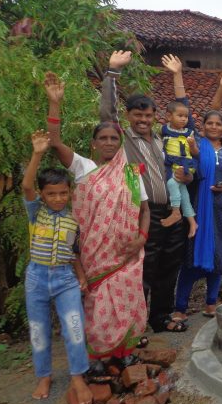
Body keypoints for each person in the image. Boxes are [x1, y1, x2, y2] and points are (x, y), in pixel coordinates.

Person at [46, 69, 150, 367]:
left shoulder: (131, 174)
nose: (108, 142)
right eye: (102, 138)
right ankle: (99, 356)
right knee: (98, 304)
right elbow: (55, 142)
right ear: (93, 143)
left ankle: (124, 352)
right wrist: (54, 103)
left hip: (127, 254)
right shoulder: (84, 168)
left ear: (120, 143)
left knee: (128, 300)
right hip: (94, 256)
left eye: (114, 138)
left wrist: (141, 238)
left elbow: (145, 210)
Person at [100, 51, 189, 334]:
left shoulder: (163, 140)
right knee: (144, 269)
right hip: (142, 214)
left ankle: (160, 318)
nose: (143, 120)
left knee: (169, 266)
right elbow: (107, 114)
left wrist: (185, 176)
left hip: (171, 213)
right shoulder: (123, 140)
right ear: (128, 116)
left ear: (154, 117)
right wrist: (113, 72)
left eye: (148, 115)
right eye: (138, 115)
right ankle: (135, 325)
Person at [22, 129, 92, 404]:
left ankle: (78, 376)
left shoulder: (73, 218)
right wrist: (37, 154)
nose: (58, 198)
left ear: (70, 193)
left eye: (63, 193)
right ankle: (44, 375)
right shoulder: (35, 211)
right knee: (38, 329)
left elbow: (73, 253)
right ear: (42, 194)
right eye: (51, 194)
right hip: (36, 278)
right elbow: (26, 186)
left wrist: (81, 277)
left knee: (74, 326)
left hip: (65, 279)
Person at [173, 109, 222, 319]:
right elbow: (188, 173)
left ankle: (211, 302)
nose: (214, 127)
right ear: (203, 126)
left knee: (218, 257)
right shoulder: (194, 148)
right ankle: (180, 307)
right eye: (210, 123)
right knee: (190, 258)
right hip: (196, 211)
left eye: (218, 124)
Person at [160, 60, 198, 238]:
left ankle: (176, 212)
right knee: (184, 194)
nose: (183, 119)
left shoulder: (189, 132)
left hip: (185, 164)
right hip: (173, 164)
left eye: (186, 116)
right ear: (169, 116)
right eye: (180, 116)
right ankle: (192, 222)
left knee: (172, 184)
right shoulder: (164, 130)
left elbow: (182, 102)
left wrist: (178, 75)